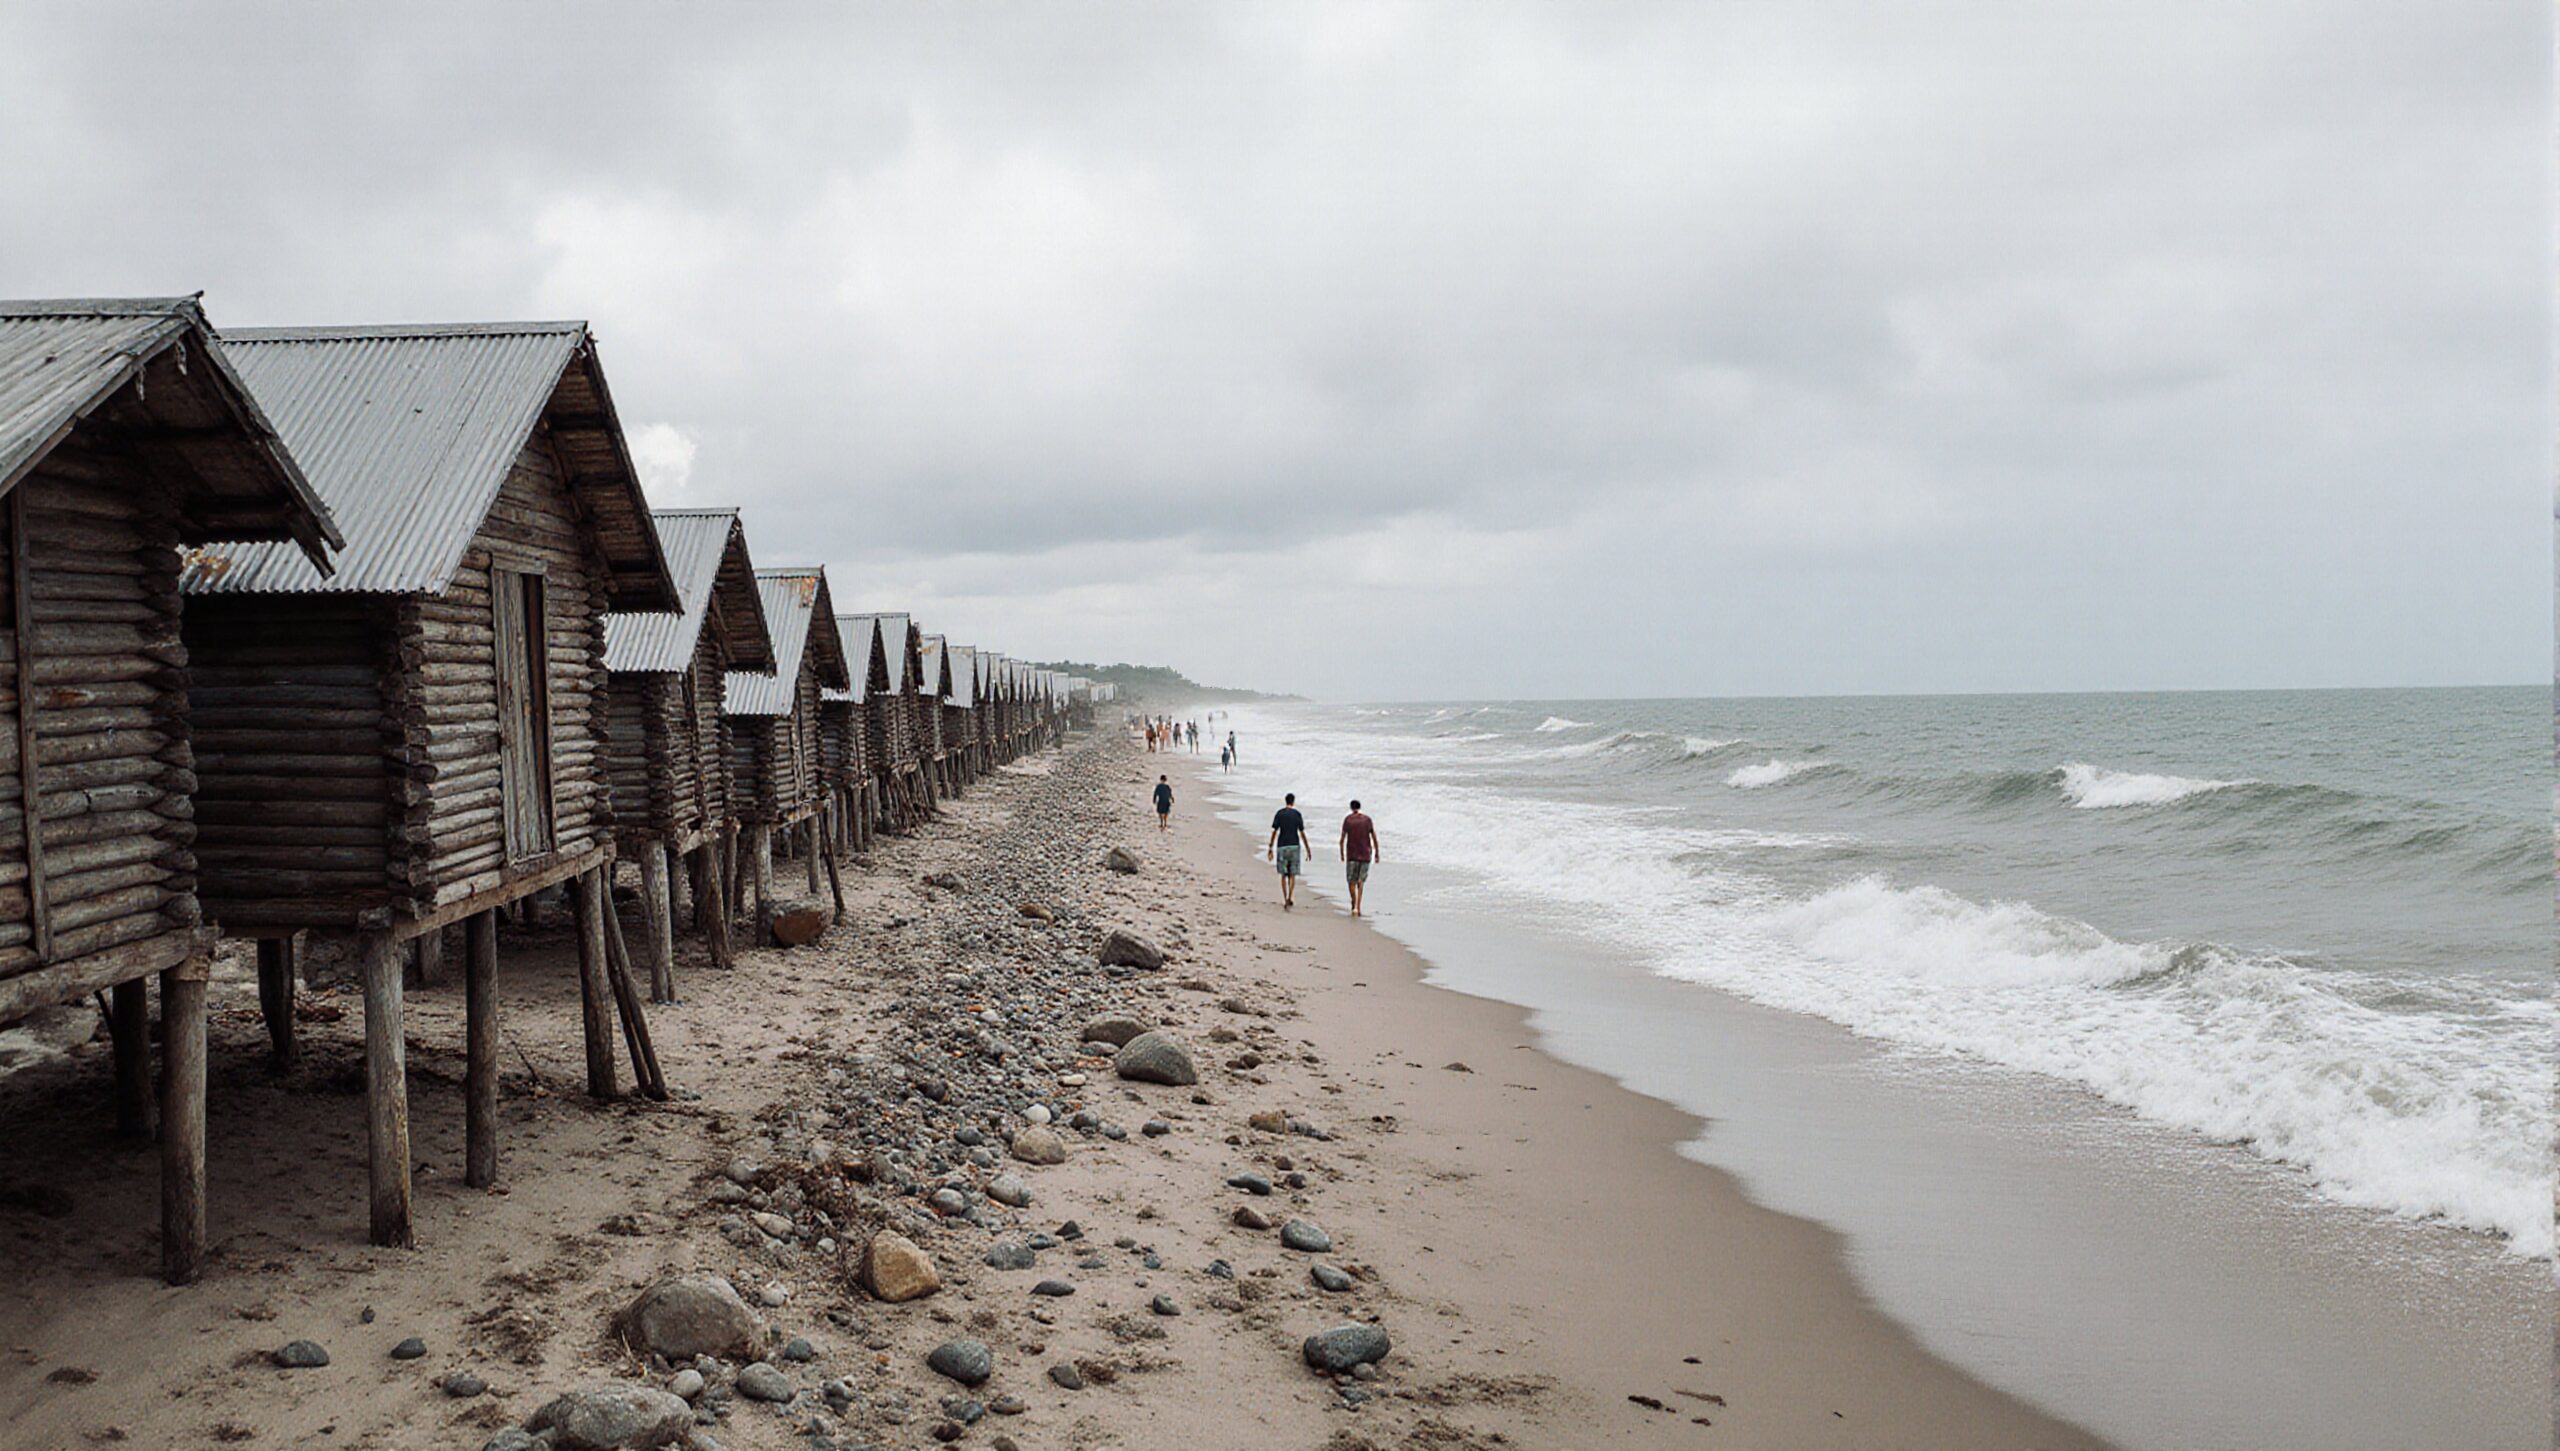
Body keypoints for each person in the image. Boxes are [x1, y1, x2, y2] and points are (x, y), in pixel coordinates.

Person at [1265, 792, 1308, 908]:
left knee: (1283, 874)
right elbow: (1302, 832)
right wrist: (1307, 849)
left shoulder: (1279, 814)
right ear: (1293, 802)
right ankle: (1290, 895)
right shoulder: (1297, 814)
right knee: (1292, 874)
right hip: (1294, 845)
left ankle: (1285, 898)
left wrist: (1270, 847)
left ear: (1285, 801)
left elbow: (1274, 831)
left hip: (1282, 846)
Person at [1339, 799, 1381, 918]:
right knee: (1360, 881)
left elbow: (1342, 839)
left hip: (1352, 854)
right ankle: (1358, 905)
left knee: (1351, 881)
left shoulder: (1348, 820)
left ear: (1351, 808)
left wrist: (1342, 854)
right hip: (1365, 854)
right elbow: (1374, 837)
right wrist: (1377, 853)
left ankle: (1353, 904)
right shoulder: (1367, 820)